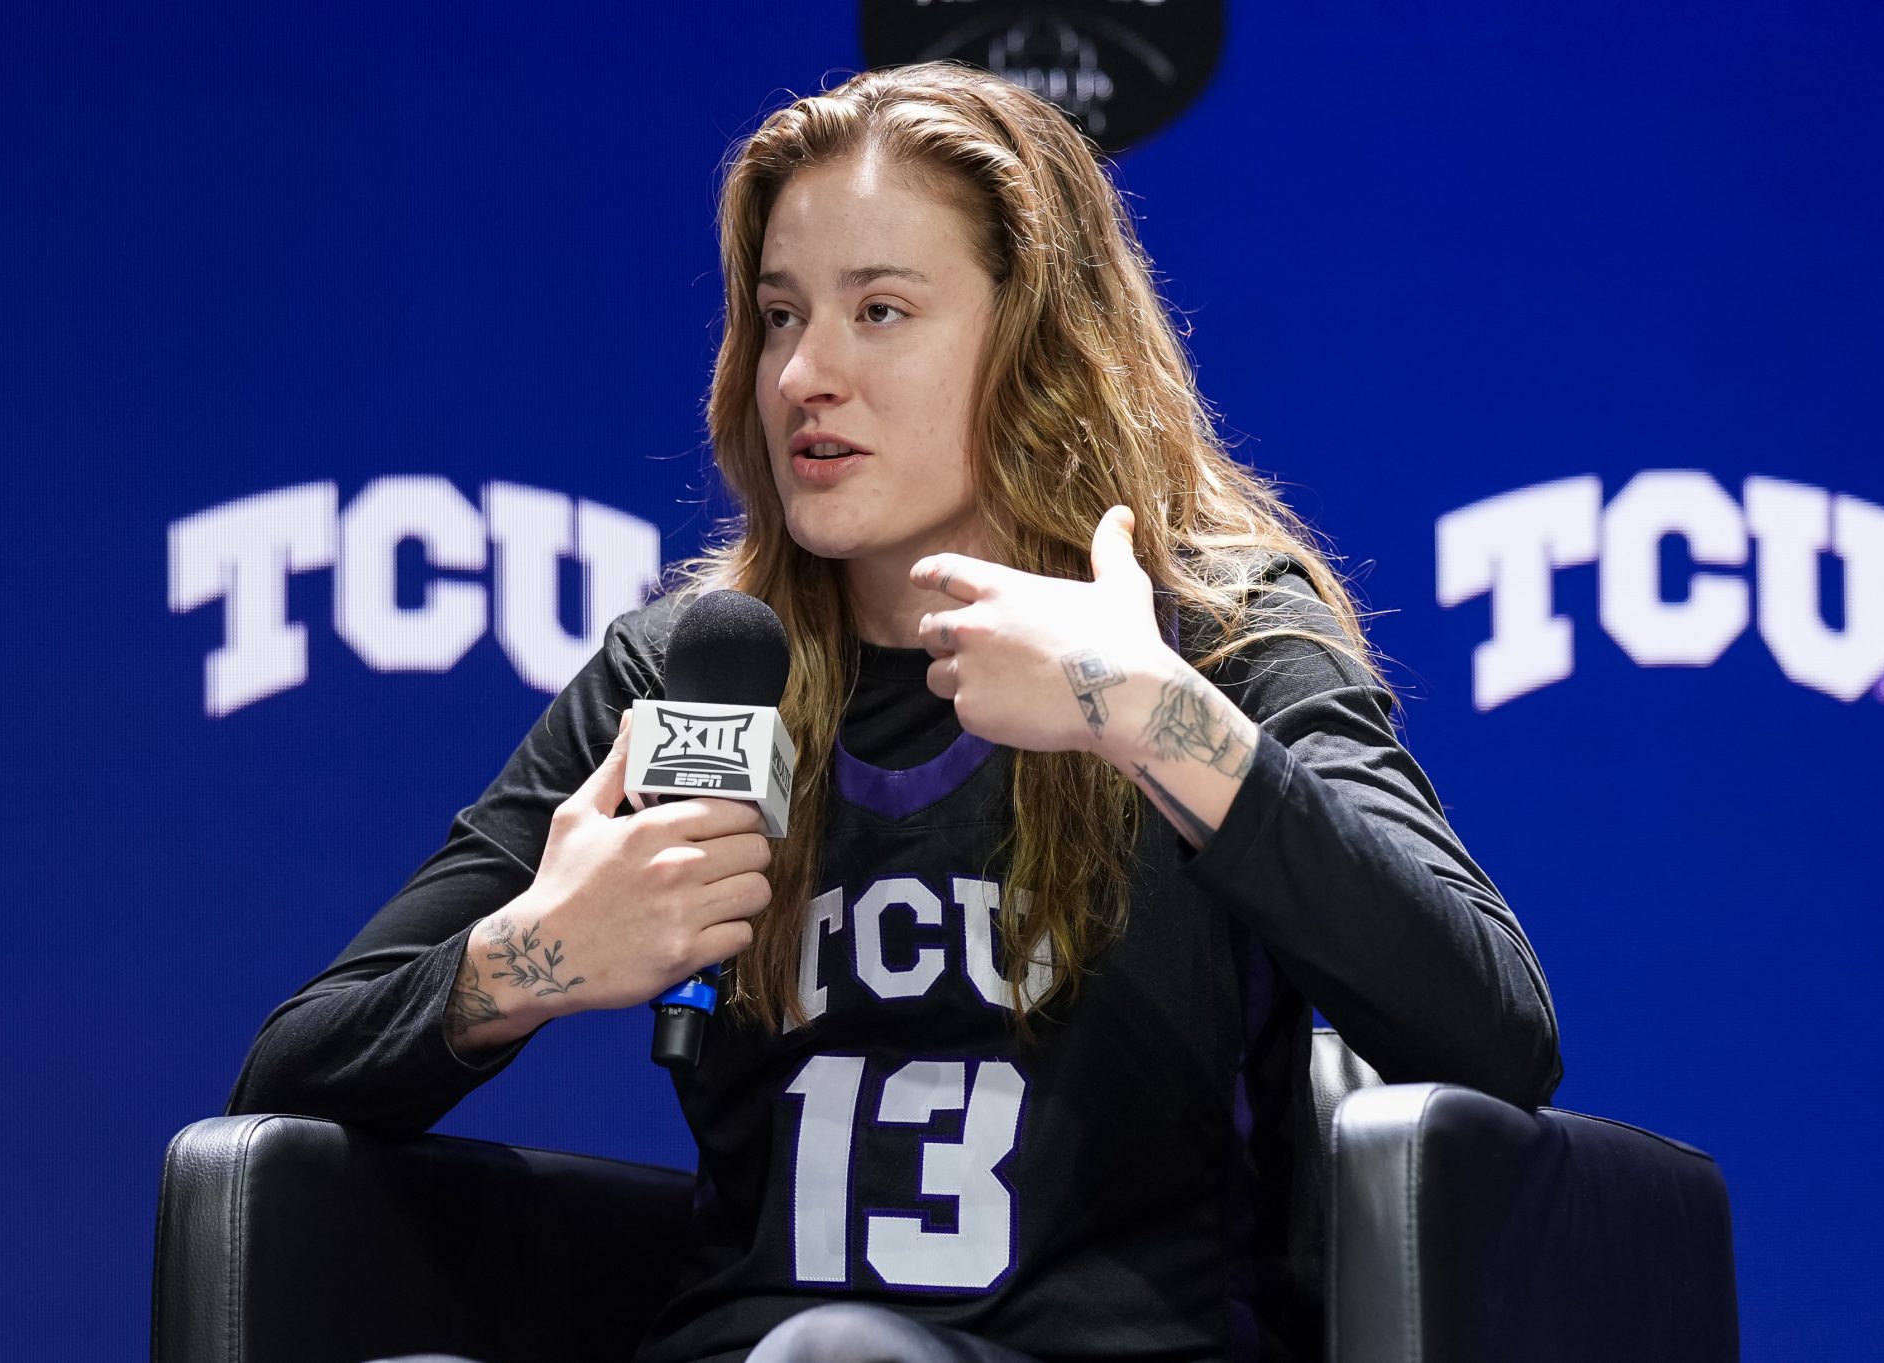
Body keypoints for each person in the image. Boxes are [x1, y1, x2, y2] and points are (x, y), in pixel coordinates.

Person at [229, 61, 1560, 1363]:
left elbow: (1492, 1032)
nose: (806, 373)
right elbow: (284, 1089)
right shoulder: (701, 663)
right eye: (780, 314)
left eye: (879, 312)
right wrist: (530, 958)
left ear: (1038, 344)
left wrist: (1152, 713)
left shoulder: (1210, 637)